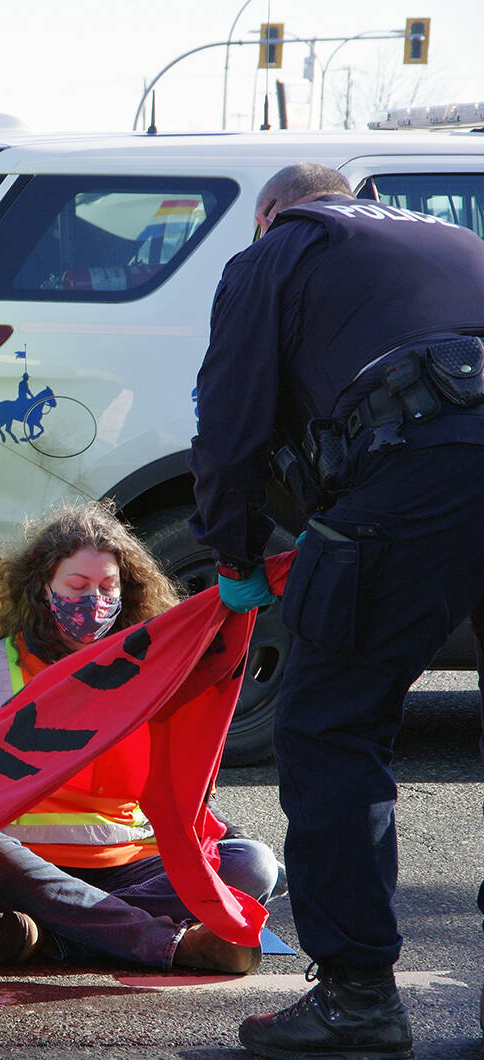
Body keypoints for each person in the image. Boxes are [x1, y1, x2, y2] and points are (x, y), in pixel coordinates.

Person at [189, 162, 484, 1058]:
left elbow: (232, 421)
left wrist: (236, 554)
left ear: (274, 211)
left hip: (420, 467)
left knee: (330, 726)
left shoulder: (281, 251)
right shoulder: (455, 239)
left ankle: (357, 997)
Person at [0, 501, 283, 976]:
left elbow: (176, 786)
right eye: (77, 586)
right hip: (24, 874)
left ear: (127, 592)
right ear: (41, 588)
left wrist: (223, 834)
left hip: (130, 868)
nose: (94, 601)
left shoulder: (156, 668)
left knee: (254, 863)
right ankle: (169, 945)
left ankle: (59, 936)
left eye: (107, 588)